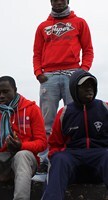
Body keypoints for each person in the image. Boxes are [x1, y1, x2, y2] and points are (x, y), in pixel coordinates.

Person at [33, 0, 94, 170]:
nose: (58, 1)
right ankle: (45, 160)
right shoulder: (42, 26)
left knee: (75, 116)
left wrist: (82, 71)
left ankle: (76, 156)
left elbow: (88, 49)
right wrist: (38, 73)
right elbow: (36, 52)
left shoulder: (80, 22)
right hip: (49, 77)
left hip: (72, 74)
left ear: (67, 1)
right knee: (46, 121)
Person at [0, 76, 47, 200]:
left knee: (21, 155)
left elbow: (42, 143)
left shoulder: (32, 109)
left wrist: (21, 146)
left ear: (15, 90)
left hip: (26, 160)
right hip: (2, 158)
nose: (1, 95)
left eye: (5, 91)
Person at [42, 69, 108, 200]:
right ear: (74, 89)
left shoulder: (104, 108)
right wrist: (59, 156)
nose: (89, 89)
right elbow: (54, 144)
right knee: (59, 159)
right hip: (73, 159)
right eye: (84, 86)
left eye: (91, 85)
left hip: (99, 157)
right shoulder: (65, 112)